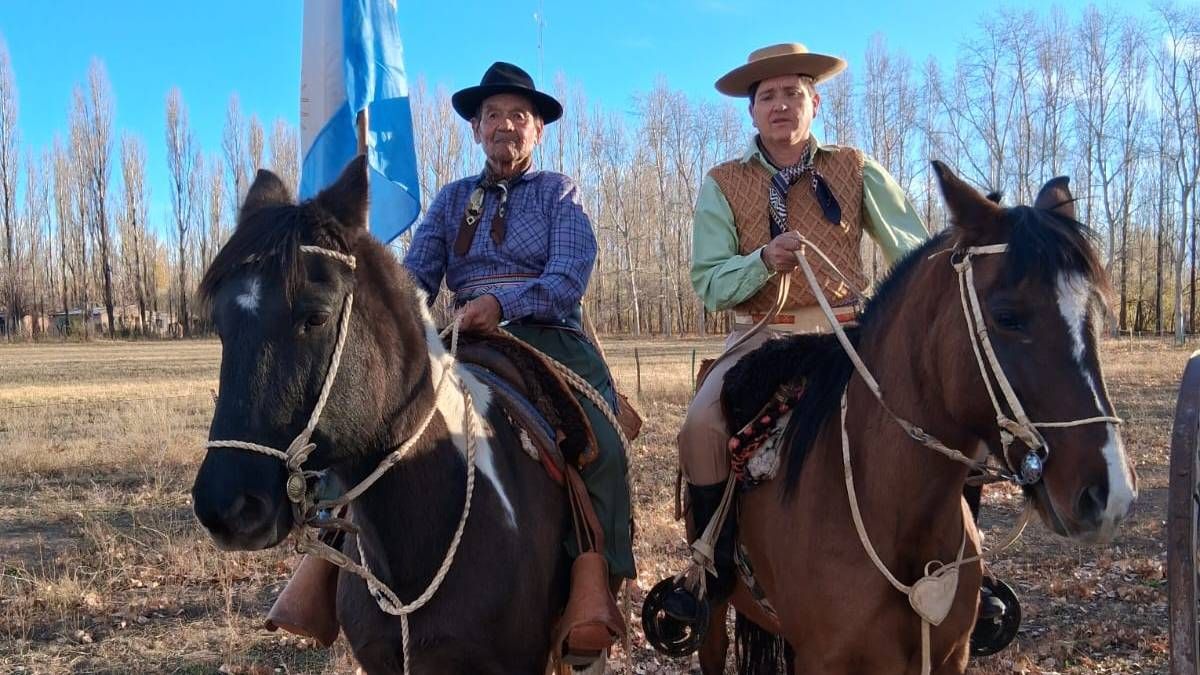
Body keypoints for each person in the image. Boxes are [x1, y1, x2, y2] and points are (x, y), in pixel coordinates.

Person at [667, 42, 929, 621]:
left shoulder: (856, 167)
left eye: (792, 93)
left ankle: (958, 569)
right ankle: (712, 565)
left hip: (851, 335)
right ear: (752, 112)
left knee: (940, 416)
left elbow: (914, 252)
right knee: (700, 430)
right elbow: (708, 283)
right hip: (761, 336)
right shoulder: (722, 182)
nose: (780, 104)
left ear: (814, 103)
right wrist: (762, 260)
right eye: (767, 96)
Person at [404, 61, 635, 658]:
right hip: (461, 338)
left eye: (518, 116)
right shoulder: (452, 199)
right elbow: (417, 276)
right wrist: (394, 313)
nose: (505, 125)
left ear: (538, 131)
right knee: (382, 421)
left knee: (603, 447)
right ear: (476, 129)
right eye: (493, 116)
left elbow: (566, 279)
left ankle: (596, 588)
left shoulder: (561, 193)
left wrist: (498, 303)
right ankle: (331, 564)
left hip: (547, 335)